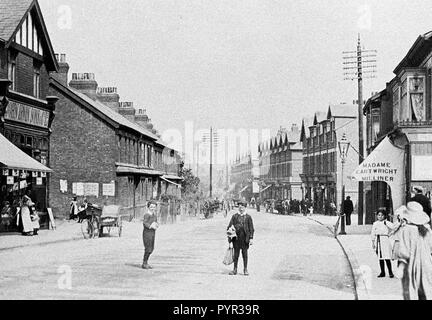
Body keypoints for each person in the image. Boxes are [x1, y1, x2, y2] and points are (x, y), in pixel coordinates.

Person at [395, 201, 432, 300]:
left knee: (410, 290)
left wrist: (400, 267)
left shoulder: (406, 230)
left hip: (411, 265)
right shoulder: (427, 230)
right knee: (426, 290)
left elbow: (404, 251)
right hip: (426, 264)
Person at [226, 202, 254, 276]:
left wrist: (251, 238)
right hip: (236, 239)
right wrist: (230, 236)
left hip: (245, 239)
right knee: (236, 255)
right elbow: (229, 227)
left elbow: (251, 228)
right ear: (238, 207)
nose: (241, 209)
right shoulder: (234, 216)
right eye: (240, 207)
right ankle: (235, 269)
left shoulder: (248, 217)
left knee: (245, 254)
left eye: (242, 207)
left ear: (245, 208)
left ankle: (245, 269)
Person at [371, 209, 395, 278]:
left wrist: (390, 234)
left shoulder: (386, 222)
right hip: (378, 240)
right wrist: (373, 241)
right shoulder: (375, 224)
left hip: (385, 239)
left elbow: (394, 227)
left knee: (387, 256)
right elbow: (373, 233)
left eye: (382, 215)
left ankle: (390, 272)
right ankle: (382, 272)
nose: (380, 216)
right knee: (380, 257)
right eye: (379, 215)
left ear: (384, 216)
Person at [142, 201, 159, 269]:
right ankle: (144, 263)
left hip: (152, 233)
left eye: (154, 207)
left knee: (151, 248)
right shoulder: (147, 215)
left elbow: (156, 222)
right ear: (148, 207)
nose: (152, 208)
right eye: (151, 207)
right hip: (147, 233)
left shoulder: (154, 215)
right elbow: (145, 223)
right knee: (148, 248)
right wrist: (150, 226)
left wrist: (157, 225)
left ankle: (146, 262)